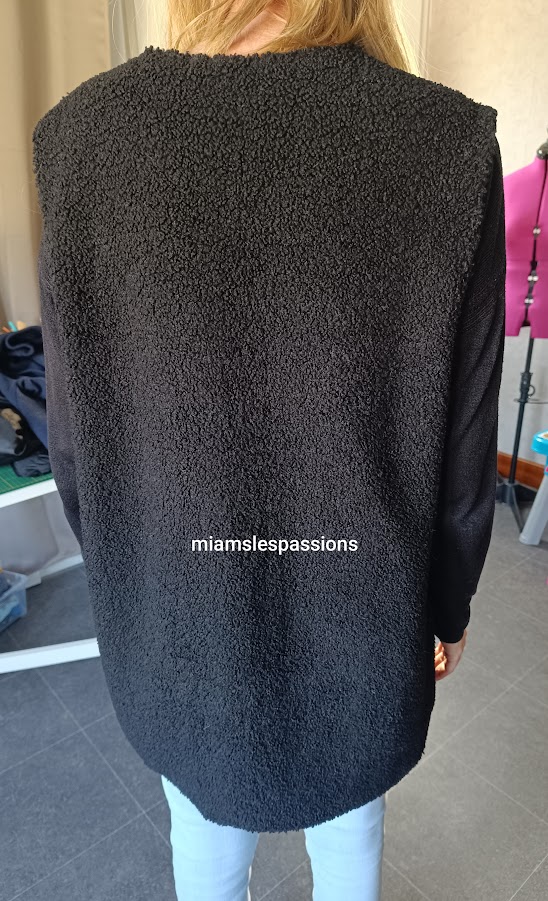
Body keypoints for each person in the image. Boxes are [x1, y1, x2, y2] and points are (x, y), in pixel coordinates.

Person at [33, 0, 505, 898]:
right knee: (351, 836)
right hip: (364, 622)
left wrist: (134, 591)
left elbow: (77, 445)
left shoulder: (84, 138)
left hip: (178, 621)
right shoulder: (447, 145)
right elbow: (464, 448)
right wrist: (446, 607)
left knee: (202, 846)